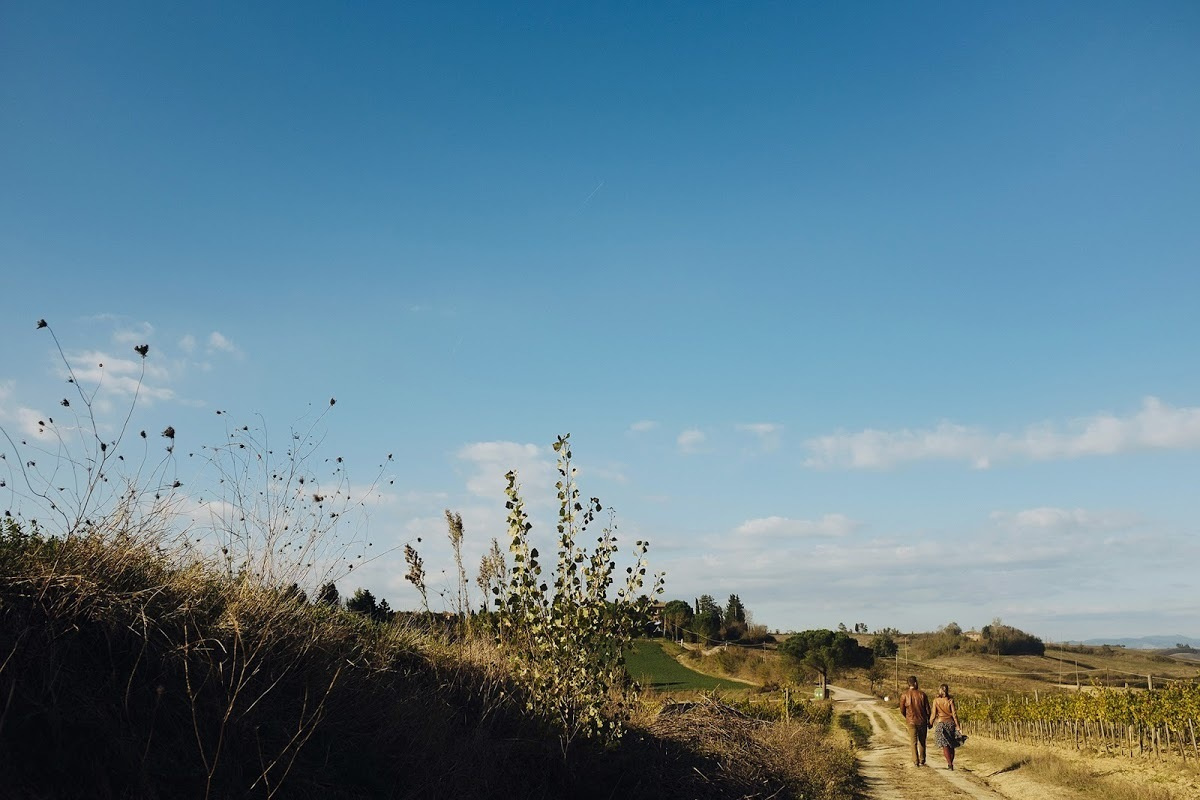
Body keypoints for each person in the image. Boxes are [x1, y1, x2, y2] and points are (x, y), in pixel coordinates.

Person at [898, 675, 931, 767]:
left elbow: (902, 709)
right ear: (915, 683)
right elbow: (928, 710)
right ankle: (922, 759)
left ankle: (915, 761)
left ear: (909, 684)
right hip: (922, 721)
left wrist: (907, 717)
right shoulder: (922, 694)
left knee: (913, 742)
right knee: (922, 741)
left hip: (911, 721)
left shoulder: (904, 695)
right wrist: (929, 719)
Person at [931, 683, 961, 770]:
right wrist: (958, 726)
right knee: (951, 744)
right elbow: (954, 714)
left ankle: (949, 763)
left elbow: (933, 714)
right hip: (950, 723)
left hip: (941, 723)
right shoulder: (950, 700)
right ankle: (951, 762)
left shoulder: (936, 701)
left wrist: (930, 723)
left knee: (945, 745)